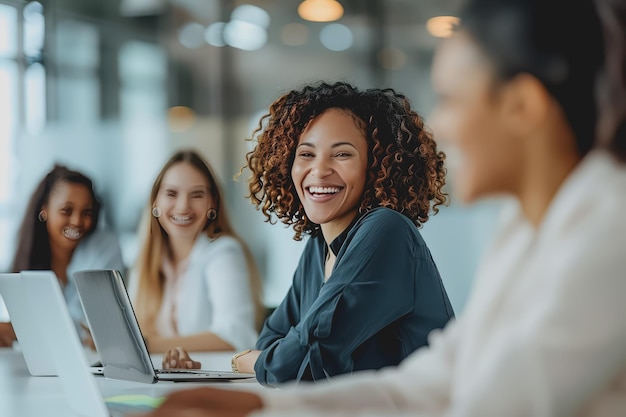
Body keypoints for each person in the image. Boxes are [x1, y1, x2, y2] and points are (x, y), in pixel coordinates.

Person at [140, 0, 626, 415]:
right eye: (306, 154)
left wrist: (268, 385)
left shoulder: (609, 231)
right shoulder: (524, 229)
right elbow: (434, 380)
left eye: (452, 98)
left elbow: (489, 403)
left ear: (522, 106)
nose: (440, 123)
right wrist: (264, 404)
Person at [162, 81, 455, 386]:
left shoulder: (387, 231)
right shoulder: (319, 245)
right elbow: (271, 339)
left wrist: (250, 360)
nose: (319, 170)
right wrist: (268, 358)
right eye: (306, 154)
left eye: (342, 155)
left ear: (376, 166)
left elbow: (302, 361)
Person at [127, 149, 264, 354]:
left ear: (212, 203)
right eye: (171, 193)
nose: (183, 207)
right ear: (155, 202)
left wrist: (144, 346)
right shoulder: (147, 261)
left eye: (197, 195)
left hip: (217, 383)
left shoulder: (224, 252)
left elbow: (236, 334)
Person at [0, 164, 125, 348]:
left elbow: (93, 328)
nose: (77, 221)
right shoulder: (29, 254)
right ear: (44, 210)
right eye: (67, 210)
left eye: (86, 213)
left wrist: (18, 330)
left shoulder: (104, 248)